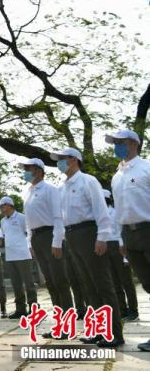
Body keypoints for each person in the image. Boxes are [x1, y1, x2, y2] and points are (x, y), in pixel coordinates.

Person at [51, 147, 124, 348]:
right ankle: (100, 330)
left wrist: (102, 237)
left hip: (89, 233)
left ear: (74, 160)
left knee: (103, 284)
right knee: (88, 286)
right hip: (72, 236)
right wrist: (59, 240)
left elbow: (101, 211)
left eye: (62, 159)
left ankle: (115, 333)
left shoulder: (88, 181)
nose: (59, 163)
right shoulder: (62, 187)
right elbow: (60, 218)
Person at [19, 157, 76, 338]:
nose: (26, 171)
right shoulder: (26, 192)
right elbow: (28, 221)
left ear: (38, 170)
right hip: (37, 238)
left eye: (28, 168)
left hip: (50, 235)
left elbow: (58, 217)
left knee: (60, 281)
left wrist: (57, 241)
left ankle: (68, 325)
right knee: (50, 283)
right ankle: (59, 325)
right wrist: (30, 243)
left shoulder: (51, 190)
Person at [107, 129, 150, 351]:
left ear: (133, 143)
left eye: (120, 142)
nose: (116, 147)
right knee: (148, 284)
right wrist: (121, 239)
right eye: (115, 143)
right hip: (128, 235)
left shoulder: (146, 168)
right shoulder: (117, 176)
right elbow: (119, 210)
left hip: (148, 229)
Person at [0, 196, 37, 319]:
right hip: (10, 256)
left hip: (23, 254)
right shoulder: (3, 221)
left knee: (29, 283)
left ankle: (34, 309)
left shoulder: (22, 218)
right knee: (16, 284)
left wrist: (31, 248)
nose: (0, 208)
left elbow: (29, 234)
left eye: (2, 205)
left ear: (9, 205)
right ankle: (20, 309)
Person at [102, 188, 138, 322]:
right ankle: (122, 309)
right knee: (114, 281)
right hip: (106, 247)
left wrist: (124, 252)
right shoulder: (99, 215)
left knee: (126, 281)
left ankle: (133, 310)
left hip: (118, 246)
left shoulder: (116, 212)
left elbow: (122, 230)